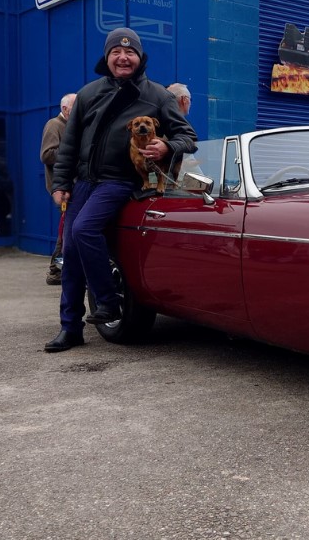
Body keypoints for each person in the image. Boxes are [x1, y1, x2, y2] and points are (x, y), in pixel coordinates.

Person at [45, 27, 197, 353]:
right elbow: (69, 144)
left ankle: (109, 302)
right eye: (116, 52)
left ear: (140, 58)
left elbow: (188, 137)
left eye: (130, 53)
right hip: (83, 182)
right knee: (70, 253)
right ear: (107, 57)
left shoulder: (158, 95)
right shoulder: (88, 93)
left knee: (84, 230)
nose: (123, 57)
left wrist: (166, 146)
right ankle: (70, 328)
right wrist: (60, 182)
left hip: (119, 181)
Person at [40, 92, 76, 285]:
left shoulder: (72, 127)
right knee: (65, 230)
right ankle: (56, 271)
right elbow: (47, 155)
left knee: (68, 228)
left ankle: (60, 269)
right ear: (65, 109)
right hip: (61, 190)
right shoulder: (54, 125)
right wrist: (73, 150)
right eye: (75, 107)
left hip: (71, 187)